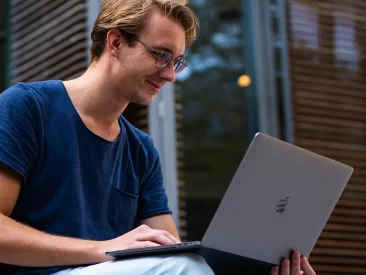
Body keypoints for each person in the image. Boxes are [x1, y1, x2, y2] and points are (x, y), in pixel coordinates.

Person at [0, 0, 316, 274]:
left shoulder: (141, 150)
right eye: (161, 55)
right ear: (115, 43)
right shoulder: (27, 107)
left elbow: (170, 249)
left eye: (176, 61)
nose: (170, 74)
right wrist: (101, 248)